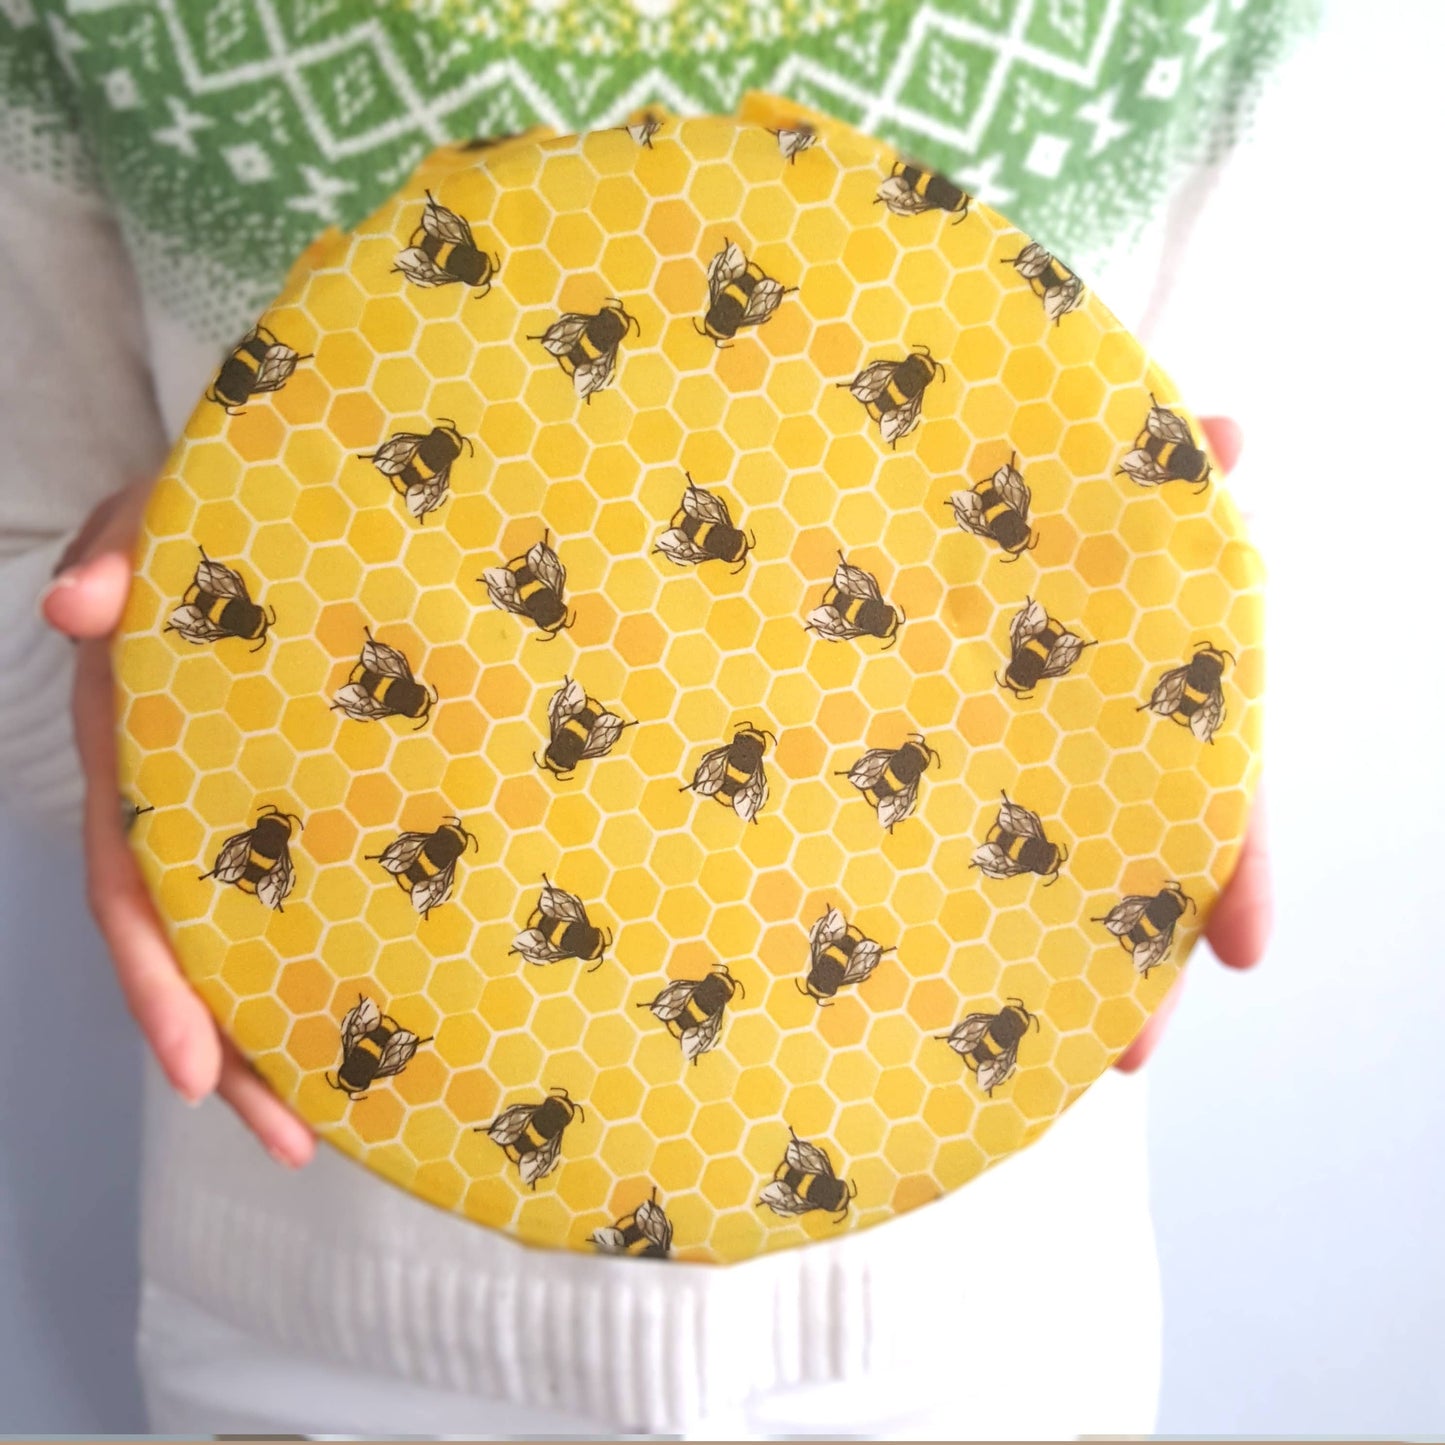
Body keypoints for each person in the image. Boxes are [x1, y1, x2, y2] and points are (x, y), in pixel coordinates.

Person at [0, 3, 1291, 1434]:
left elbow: (1176, 548)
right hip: (329, 1333)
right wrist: (142, 639)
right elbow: (31, 579)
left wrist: (1171, 701)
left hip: (978, 1325)